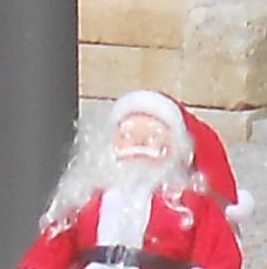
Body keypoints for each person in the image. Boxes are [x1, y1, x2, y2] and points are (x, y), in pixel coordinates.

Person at [17, 87, 247, 269]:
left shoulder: (190, 205)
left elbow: (221, 256)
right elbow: (49, 252)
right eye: (127, 134)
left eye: (153, 136)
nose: (140, 142)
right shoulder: (87, 200)